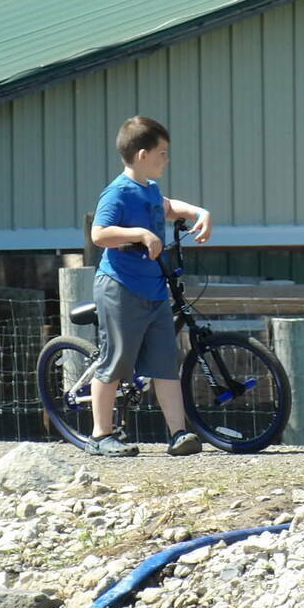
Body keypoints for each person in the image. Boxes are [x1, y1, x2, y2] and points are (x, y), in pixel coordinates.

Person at [86, 116, 213, 457]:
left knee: (164, 363)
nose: (167, 159)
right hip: (121, 286)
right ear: (143, 155)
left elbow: (168, 207)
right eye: (163, 153)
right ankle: (100, 435)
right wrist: (140, 233)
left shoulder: (150, 189)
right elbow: (99, 234)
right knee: (115, 361)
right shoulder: (117, 192)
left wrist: (199, 212)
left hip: (154, 288)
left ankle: (178, 434)